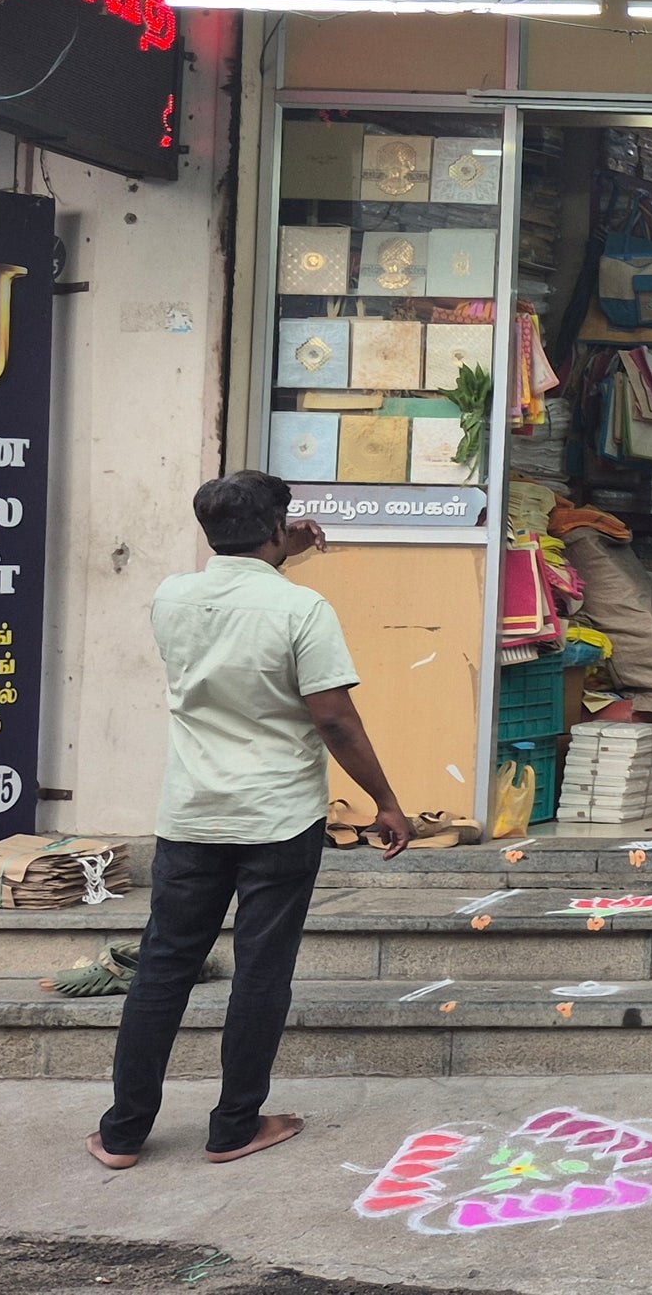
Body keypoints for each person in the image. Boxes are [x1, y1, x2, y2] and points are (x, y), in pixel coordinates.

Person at [94, 472, 411, 1171]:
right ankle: (234, 1125)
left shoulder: (171, 596)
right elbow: (334, 718)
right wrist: (385, 799)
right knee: (261, 971)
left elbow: (235, 602)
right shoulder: (302, 608)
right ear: (276, 527)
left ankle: (122, 1133)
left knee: (163, 967)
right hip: (278, 817)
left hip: (193, 815)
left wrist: (270, 549)